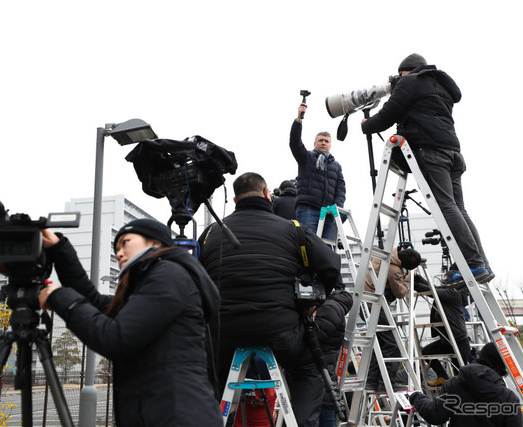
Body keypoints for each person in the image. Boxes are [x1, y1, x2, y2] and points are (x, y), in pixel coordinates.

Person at [38, 219, 222, 426]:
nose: (118, 253)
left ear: (155, 244)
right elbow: (95, 301)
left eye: (125, 242)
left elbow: (116, 339)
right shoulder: (151, 284)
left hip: (178, 417)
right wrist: (58, 249)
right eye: (116, 248)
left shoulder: (169, 275)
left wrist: (60, 297)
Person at [198, 172, 342, 427]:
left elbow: (195, 282)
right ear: (267, 194)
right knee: (308, 371)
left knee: (212, 373)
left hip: (224, 332)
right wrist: (313, 304)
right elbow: (331, 266)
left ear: (234, 200)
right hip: (281, 330)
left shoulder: (210, 233)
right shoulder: (293, 229)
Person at [360, 53, 493, 287]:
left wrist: (366, 125)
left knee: (446, 206)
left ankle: (473, 262)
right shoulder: (439, 86)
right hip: (452, 152)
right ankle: (480, 262)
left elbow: (387, 115)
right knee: (458, 207)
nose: (397, 82)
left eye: (400, 77)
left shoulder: (412, 82)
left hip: (430, 150)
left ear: (409, 71)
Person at [408, 341, 523, 426]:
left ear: (480, 357)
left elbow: (435, 415)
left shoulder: (454, 384)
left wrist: (417, 397)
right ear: (505, 365)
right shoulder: (508, 397)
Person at [364, 247, 421, 391]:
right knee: (393, 344)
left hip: (365, 304)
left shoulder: (383, 255)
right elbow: (400, 293)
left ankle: (372, 382)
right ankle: (387, 382)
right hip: (376, 306)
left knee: (380, 345)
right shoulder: (394, 269)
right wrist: (407, 281)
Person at [290, 102, 346, 239]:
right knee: (309, 245)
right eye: (320, 140)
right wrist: (298, 119)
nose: (323, 143)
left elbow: (340, 189)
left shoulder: (336, 166)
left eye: (326, 141)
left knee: (327, 250)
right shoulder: (307, 157)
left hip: (328, 213)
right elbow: (294, 143)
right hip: (308, 209)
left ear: (330, 145)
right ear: (315, 143)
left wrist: (337, 209)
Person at [413, 276, 470, 387]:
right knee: (427, 351)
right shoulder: (449, 292)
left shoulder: (454, 293)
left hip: (458, 340)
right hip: (447, 340)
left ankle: (463, 397)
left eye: (445, 279)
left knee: (460, 375)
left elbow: (432, 291)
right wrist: (418, 278)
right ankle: (442, 377)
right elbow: (434, 288)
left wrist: (413, 284)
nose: (443, 280)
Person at [314, 287, 353, 427]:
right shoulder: (335, 309)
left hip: (320, 378)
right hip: (325, 378)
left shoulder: (330, 308)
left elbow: (315, 337)